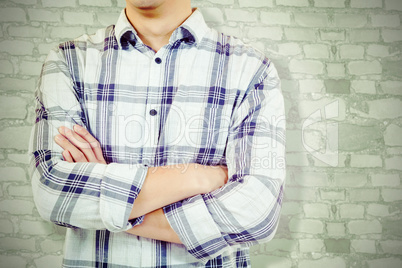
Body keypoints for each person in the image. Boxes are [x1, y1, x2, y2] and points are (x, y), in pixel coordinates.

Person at [28, 0, 286, 267]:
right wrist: (198, 177)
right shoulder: (68, 61)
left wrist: (104, 198)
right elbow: (52, 193)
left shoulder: (252, 69)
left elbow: (257, 214)